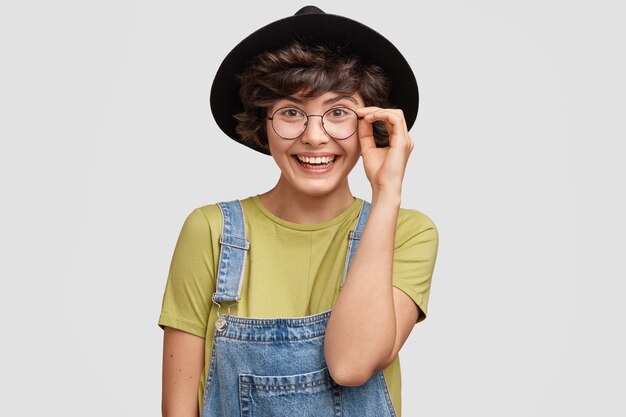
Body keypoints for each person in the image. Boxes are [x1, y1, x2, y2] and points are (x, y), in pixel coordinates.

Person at [158, 5, 439, 417]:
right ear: (263, 122)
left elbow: (351, 365)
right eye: (290, 112)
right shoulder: (211, 231)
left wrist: (387, 191)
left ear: (371, 124)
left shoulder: (408, 232)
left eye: (339, 112)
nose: (313, 136)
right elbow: (178, 410)